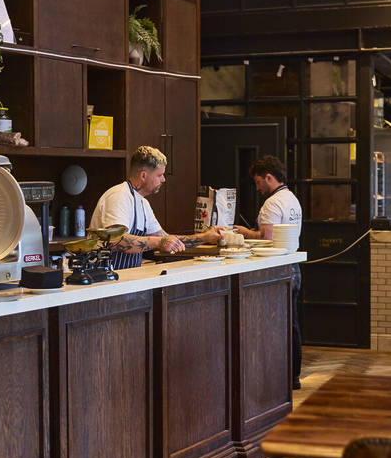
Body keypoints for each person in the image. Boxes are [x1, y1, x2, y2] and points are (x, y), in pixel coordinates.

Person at [231, 155, 304, 389]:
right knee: (291, 322)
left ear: (269, 177)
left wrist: (243, 232)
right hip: (293, 266)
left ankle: (279, 378)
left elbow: (267, 238)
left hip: (277, 268)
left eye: (258, 182)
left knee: (277, 324)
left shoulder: (272, 203)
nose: (257, 188)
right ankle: (293, 376)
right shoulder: (292, 198)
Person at [89, 145, 218, 271]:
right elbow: (116, 241)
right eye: (159, 175)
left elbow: (168, 239)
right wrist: (160, 242)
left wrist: (206, 237)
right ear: (143, 176)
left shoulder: (143, 203)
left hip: (127, 276)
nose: (163, 179)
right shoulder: (119, 196)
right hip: (103, 277)